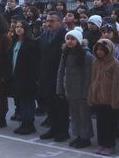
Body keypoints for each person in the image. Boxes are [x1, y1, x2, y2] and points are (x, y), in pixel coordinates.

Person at [57, 26, 94, 149]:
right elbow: (61, 71)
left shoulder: (86, 54)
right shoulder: (66, 53)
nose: (69, 41)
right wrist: (60, 88)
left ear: (78, 40)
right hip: (70, 90)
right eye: (68, 39)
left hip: (82, 91)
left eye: (72, 39)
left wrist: (86, 92)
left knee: (84, 115)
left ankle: (85, 137)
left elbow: (89, 75)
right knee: (74, 115)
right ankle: (78, 135)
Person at [88, 38, 119, 156]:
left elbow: (118, 84)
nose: (99, 52)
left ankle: (110, 145)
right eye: (97, 49)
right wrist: (92, 95)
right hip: (99, 99)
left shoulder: (115, 64)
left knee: (110, 124)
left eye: (102, 50)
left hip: (110, 100)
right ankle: (101, 144)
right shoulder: (95, 63)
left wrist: (116, 101)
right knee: (100, 123)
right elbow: (92, 80)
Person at [39, 11, 70, 142]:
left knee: (61, 106)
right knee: (51, 105)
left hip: (59, 75)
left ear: (60, 22)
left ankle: (63, 132)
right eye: (47, 20)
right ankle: (53, 128)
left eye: (52, 21)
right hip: (46, 75)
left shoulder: (65, 36)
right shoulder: (45, 34)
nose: (48, 23)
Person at [9, 19, 40, 135]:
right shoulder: (14, 42)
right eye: (17, 26)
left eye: (21, 27)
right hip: (16, 77)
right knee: (21, 102)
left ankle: (29, 124)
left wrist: (32, 78)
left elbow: (34, 64)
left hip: (27, 79)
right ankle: (23, 123)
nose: (18, 29)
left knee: (29, 102)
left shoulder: (31, 44)